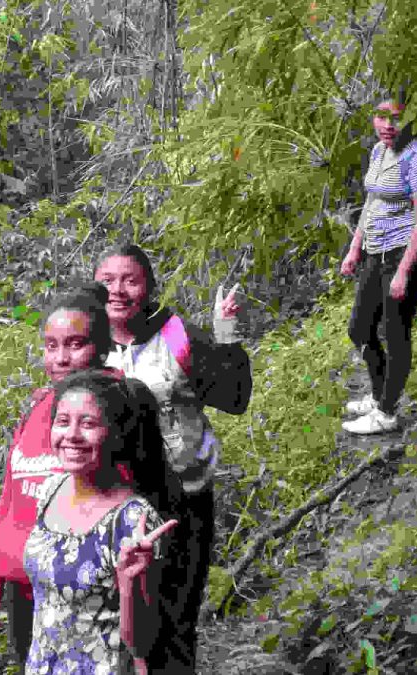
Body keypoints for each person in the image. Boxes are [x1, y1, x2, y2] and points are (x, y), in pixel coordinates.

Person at [93, 243, 252, 674]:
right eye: (107, 280)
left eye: (130, 279)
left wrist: (225, 337)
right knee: (119, 624)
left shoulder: (175, 334)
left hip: (184, 498)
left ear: (148, 287)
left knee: (177, 619)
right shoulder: (86, 346)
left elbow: (234, 398)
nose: (118, 290)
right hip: (113, 506)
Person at [0, 283, 120, 668]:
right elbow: (11, 497)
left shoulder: (120, 410)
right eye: (51, 345)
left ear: (101, 348)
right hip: (25, 589)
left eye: (75, 344)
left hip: (83, 597)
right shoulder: (39, 407)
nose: (60, 358)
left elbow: (129, 507)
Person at [23, 369, 180, 674]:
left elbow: (142, 645)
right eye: (63, 421)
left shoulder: (132, 520)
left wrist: (130, 581)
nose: (71, 435)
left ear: (117, 433)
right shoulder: (50, 490)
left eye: (88, 423)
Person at [339, 96, 417, 435]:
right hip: (375, 251)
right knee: (359, 329)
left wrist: (404, 272)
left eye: (395, 118)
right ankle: (379, 391)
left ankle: (387, 412)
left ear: (408, 121)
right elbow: (372, 200)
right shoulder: (380, 152)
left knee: (396, 335)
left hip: (402, 254)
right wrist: (355, 248)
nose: (388, 125)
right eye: (381, 117)